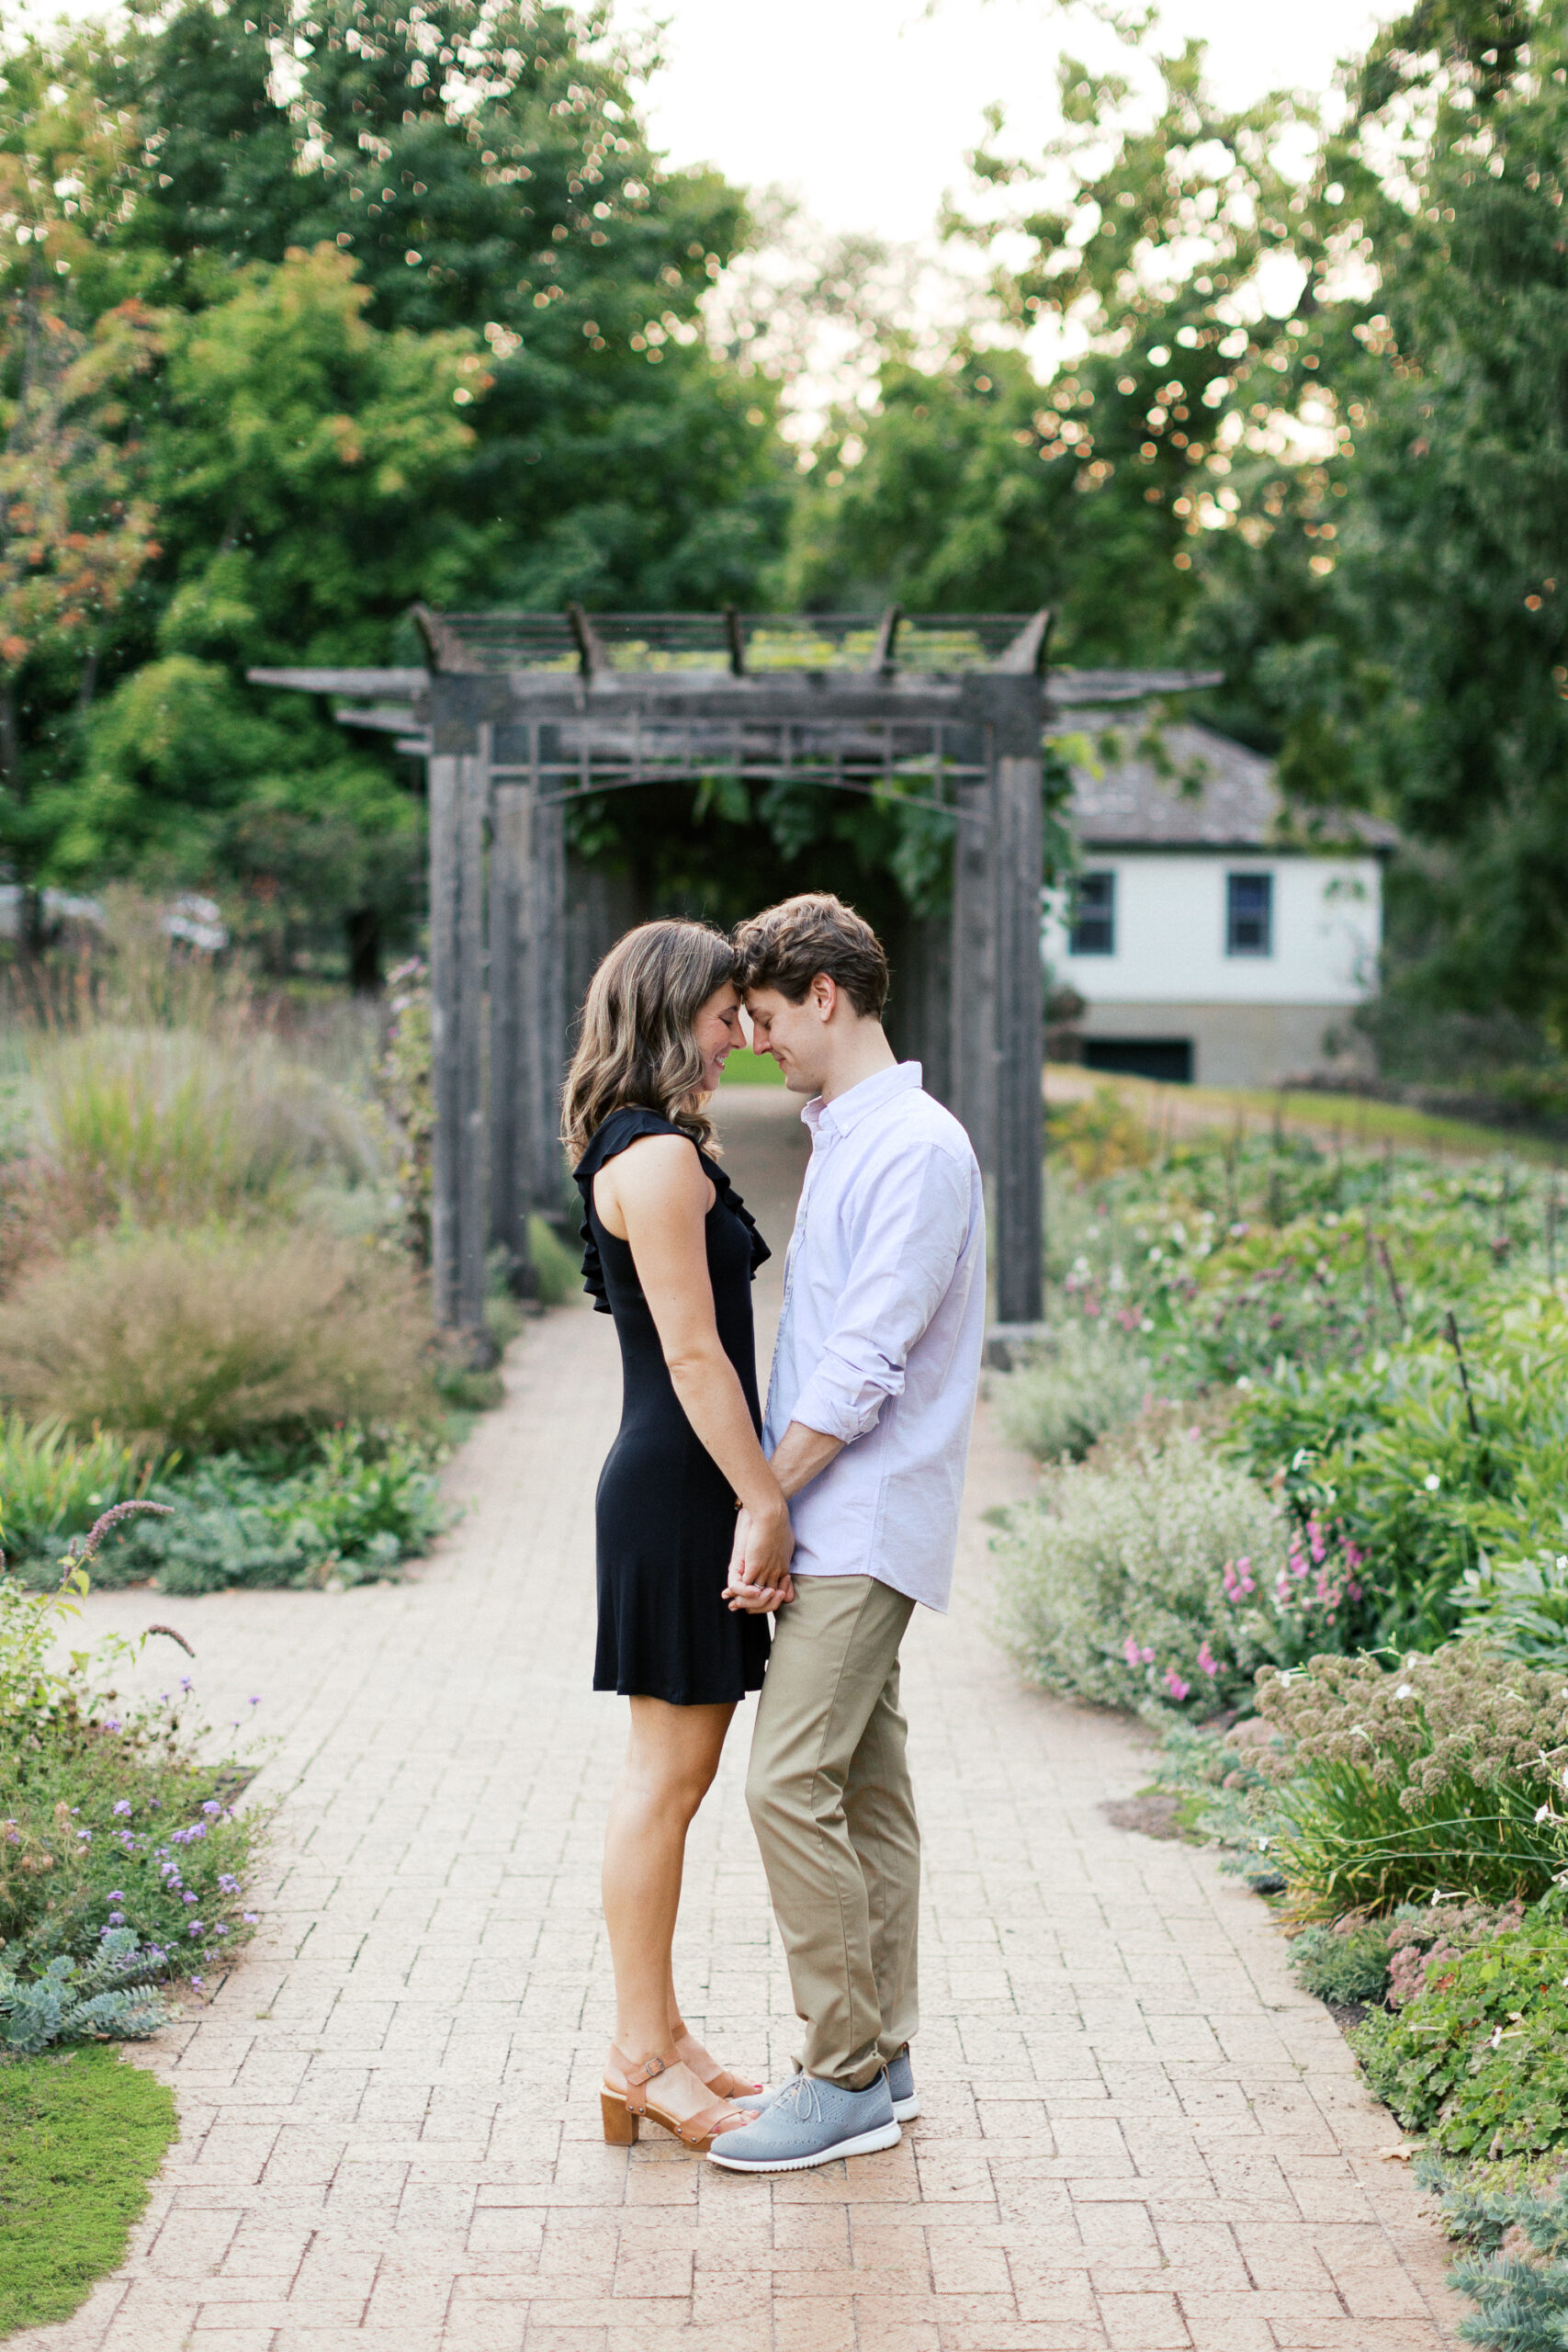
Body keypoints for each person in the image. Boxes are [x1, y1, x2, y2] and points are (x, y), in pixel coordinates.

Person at [707, 892, 987, 2175]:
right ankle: (889, 2053)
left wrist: (768, 1500)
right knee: (868, 1786)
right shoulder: (853, 1135)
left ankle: (841, 2076)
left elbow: (865, 1364)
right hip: (842, 1510)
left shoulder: (914, 1148)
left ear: (826, 994)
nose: (755, 1043)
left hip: (860, 1514)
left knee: (785, 1784)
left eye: (764, 1017)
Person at [562, 919, 796, 2155]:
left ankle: (665, 2036)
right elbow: (696, 1354)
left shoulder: (650, 1148)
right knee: (665, 1783)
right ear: (670, 1014)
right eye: (723, 1015)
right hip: (680, 1488)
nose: (739, 1037)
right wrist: (764, 1497)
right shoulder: (652, 1161)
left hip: (681, 1479)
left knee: (678, 1779)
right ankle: (639, 2054)